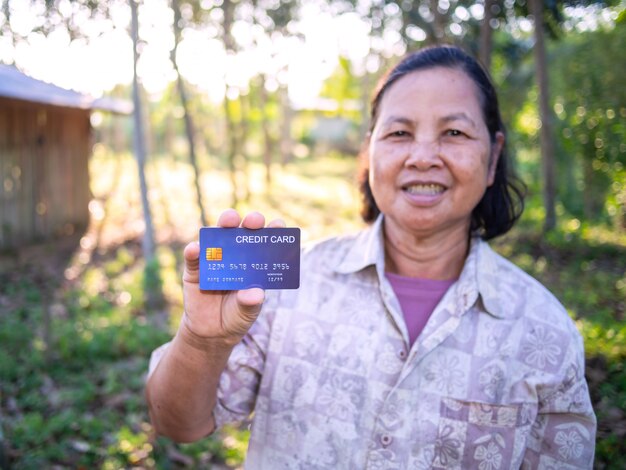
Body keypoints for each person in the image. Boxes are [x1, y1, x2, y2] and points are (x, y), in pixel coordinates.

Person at [146, 45, 596, 469]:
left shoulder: (545, 334)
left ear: (493, 157)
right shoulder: (282, 288)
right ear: (371, 151)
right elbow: (177, 424)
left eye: (454, 132)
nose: (423, 157)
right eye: (399, 133)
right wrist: (203, 341)